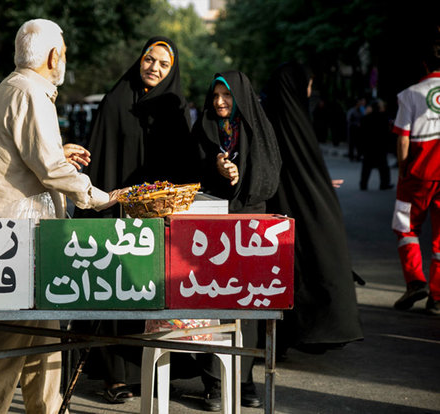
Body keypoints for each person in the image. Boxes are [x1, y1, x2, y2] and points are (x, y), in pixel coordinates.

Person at [0, 19, 123, 414]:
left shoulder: (7, 90)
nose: (64, 58)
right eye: (64, 52)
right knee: (4, 343)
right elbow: (50, 169)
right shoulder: (30, 94)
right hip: (19, 241)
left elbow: (27, 157)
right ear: (54, 56)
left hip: (26, 239)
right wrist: (100, 198)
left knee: (46, 341)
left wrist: (56, 151)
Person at [73, 36, 201, 405]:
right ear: (140, 59)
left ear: (171, 70)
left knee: (152, 293)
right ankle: (114, 375)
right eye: (150, 59)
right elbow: (99, 160)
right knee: (114, 291)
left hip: (158, 219)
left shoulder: (175, 108)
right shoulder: (116, 100)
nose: (154, 68)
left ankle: (158, 370)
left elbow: (186, 165)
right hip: (116, 215)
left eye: (163, 64)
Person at [192, 70, 282, 409]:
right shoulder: (202, 129)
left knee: (248, 303)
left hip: (250, 225)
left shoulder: (258, 130)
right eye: (215, 95)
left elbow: (270, 176)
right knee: (210, 303)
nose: (219, 102)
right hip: (210, 226)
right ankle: (213, 383)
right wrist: (215, 169)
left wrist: (241, 176)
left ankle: (244, 378)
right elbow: (190, 171)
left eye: (226, 95)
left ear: (240, 96)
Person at [263, 62, 364, 355]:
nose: (309, 91)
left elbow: (301, 166)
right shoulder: (289, 118)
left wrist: (317, 182)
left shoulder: (280, 114)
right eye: (307, 85)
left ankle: (284, 336)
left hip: (285, 206)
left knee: (287, 268)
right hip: (287, 208)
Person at [391, 38, 440, 315]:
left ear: (424, 64)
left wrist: (402, 169)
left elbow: (403, 139)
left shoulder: (410, 94)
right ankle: (438, 297)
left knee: (406, 227)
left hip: (419, 173)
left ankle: (415, 282)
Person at [359, 99, 393, 190]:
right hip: (380, 146)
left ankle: (363, 184)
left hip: (368, 146)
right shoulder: (384, 118)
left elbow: (361, 134)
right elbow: (387, 133)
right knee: (383, 168)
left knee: (366, 167)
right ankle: (384, 184)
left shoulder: (365, 118)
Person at [346, 97, 367, 161]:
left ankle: (358, 156)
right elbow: (349, 120)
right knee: (352, 143)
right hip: (352, 129)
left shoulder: (361, 110)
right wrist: (355, 124)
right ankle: (351, 156)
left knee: (359, 144)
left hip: (359, 130)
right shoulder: (352, 111)